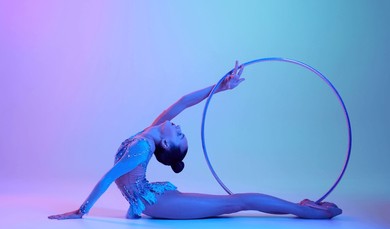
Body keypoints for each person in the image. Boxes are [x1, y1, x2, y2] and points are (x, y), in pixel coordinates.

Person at [49, 61, 342, 220]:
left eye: (178, 132)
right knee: (235, 204)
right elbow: (183, 102)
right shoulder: (145, 138)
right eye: (179, 131)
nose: (176, 125)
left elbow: (110, 176)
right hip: (156, 204)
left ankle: (305, 210)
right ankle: (305, 210)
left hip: (156, 201)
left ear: (165, 144)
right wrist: (220, 86)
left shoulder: (145, 141)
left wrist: (221, 87)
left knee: (236, 203)